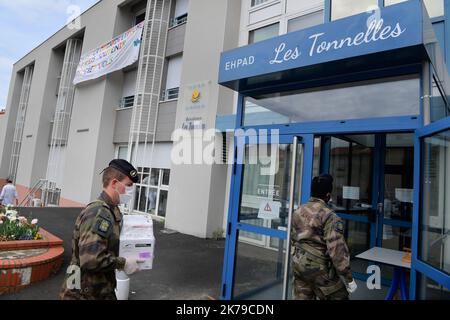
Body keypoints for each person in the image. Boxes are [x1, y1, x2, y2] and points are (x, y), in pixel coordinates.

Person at [60, 159, 143, 300]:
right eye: (128, 186)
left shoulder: (111, 210)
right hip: (82, 294)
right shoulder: (98, 212)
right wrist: (123, 263)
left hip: (98, 291)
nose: (131, 191)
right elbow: (91, 259)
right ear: (115, 183)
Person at [290, 174, 357, 300]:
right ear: (328, 195)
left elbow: (294, 240)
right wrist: (349, 278)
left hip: (298, 265)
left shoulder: (298, 211)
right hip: (320, 271)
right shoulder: (329, 216)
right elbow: (337, 251)